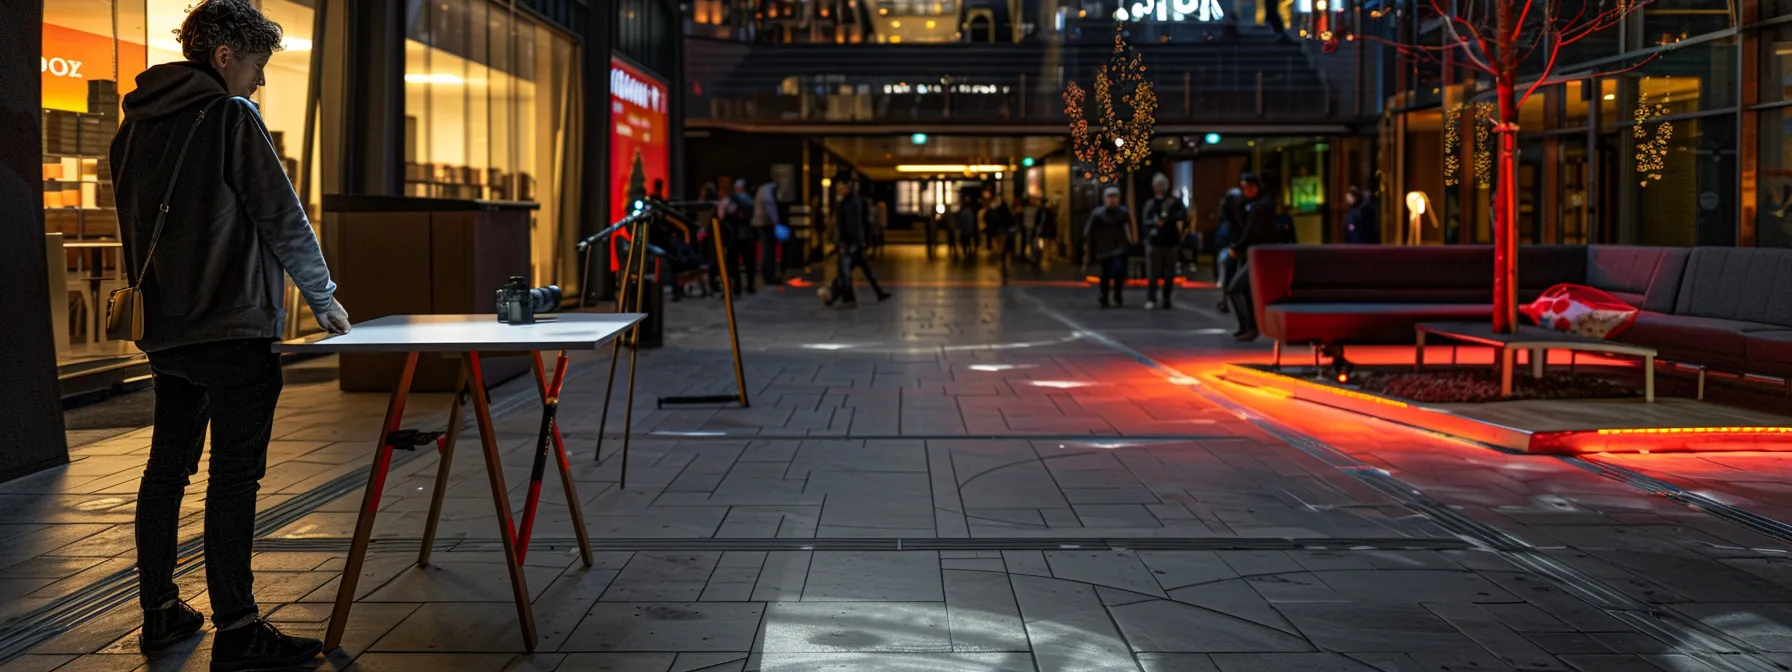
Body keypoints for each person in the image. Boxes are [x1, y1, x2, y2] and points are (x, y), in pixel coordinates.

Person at [114, 2, 346, 668]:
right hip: (234, 326)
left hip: (167, 330)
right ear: (223, 56)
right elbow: (281, 215)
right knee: (234, 478)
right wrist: (323, 297)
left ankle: (160, 612)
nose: (260, 80)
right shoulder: (228, 116)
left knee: (166, 472)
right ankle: (239, 628)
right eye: (257, 63)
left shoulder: (132, 127)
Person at [1225, 173, 1278, 341]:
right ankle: (1249, 326)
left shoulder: (1259, 207)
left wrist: (1236, 247)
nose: (1245, 191)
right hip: (1257, 253)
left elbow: (1251, 232)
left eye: (1247, 187)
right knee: (1246, 290)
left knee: (1235, 288)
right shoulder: (1260, 204)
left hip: (1257, 254)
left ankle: (1248, 325)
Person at [827, 173, 891, 306]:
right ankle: (877, 293)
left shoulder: (850, 203)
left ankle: (841, 297)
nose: (838, 189)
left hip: (849, 243)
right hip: (853, 242)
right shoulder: (849, 202)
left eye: (840, 186)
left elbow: (852, 225)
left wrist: (850, 242)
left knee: (844, 271)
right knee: (860, 269)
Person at [1083, 186, 1137, 308]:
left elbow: (1129, 228)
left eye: (1115, 197)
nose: (1112, 200)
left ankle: (1117, 295)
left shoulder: (1123, 212)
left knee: (1119, 272)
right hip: (1104, 248)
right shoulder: (1098, 214)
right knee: (1105, 274)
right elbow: (1089, 231)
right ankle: (1104, 296)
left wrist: (1131, 241)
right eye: (1110, 197)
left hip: (1120, 248)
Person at [1141, 173, 1188, 310]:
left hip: (1170, 241)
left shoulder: (1174, 202)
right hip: (1154, 241)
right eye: (1158, 185)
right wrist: (1155, 223)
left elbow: (1183, 216)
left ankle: (1166, 298)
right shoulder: (1150, 203)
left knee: (1170, 273)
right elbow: (1145, 221)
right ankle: (1151, 297)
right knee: (1153, 273)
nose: (1160, 187)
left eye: (1162, 185)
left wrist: (1169, 220)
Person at [1213, 186, 1246, 313]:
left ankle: (1226, 301)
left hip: (1230, 243)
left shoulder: (1226, 209)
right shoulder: (1243, 208)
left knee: (1228, 274)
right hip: (1238, 243)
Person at [722, 178, 757, 294]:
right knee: (749, 263)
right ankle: (750, 286)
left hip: (735, 234)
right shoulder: (750, 200)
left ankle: (737, 287)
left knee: (733, 262)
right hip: (747, 233)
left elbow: (724, 213)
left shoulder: (733, 199)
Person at [752, 181, 781, 285]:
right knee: (768, 250)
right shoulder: (768, 190)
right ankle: (769, 275)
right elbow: (769, 203)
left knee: (768, 249)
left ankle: (769, 274)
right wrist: (775, 219)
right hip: (765, 223)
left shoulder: (763, 189)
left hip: (763, 222)